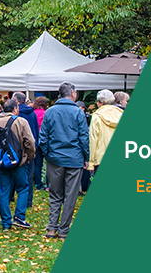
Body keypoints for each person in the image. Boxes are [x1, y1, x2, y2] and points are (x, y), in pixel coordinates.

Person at [40, 82, 89, 240]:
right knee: (70, 196)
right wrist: (85, 157)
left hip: (55, 158)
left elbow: (43, 137)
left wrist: (48, 154)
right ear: (73, 94)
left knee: (55, 194)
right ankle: (63, 230)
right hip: (74, 159)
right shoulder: (78, 112)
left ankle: (52, 228)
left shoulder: (50, 112)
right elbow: (84, 137)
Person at [0, 99, 36, 231]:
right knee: (23, 188)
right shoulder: (21, 122)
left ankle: (6, 222)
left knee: (3, 192)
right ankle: (19, 217)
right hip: (19, 163)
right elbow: (30, 142)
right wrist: (27, 157)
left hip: (1, 164)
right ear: (16, 109)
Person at [87, 90, 122, 194]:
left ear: (101, 103)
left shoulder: (97, 117)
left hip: (101, 158)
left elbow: (93, 140)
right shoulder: (121, 114)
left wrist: (91, 163)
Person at [13, 92, 40, 209]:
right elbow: (35, 131)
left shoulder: (17, 114)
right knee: (29, 175)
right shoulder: (32, 113)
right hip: (31, 147)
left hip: (18, 148)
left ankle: (11, 197)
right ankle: (28, 201)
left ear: (17, 101)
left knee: (14, 174)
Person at [33, 96, 48, 190]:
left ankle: (38, 184)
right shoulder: (46, 114)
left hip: (35, 140)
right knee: (47, 163)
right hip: (45, 140)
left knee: (37, 164)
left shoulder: (33, 113)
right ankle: (48, 183)